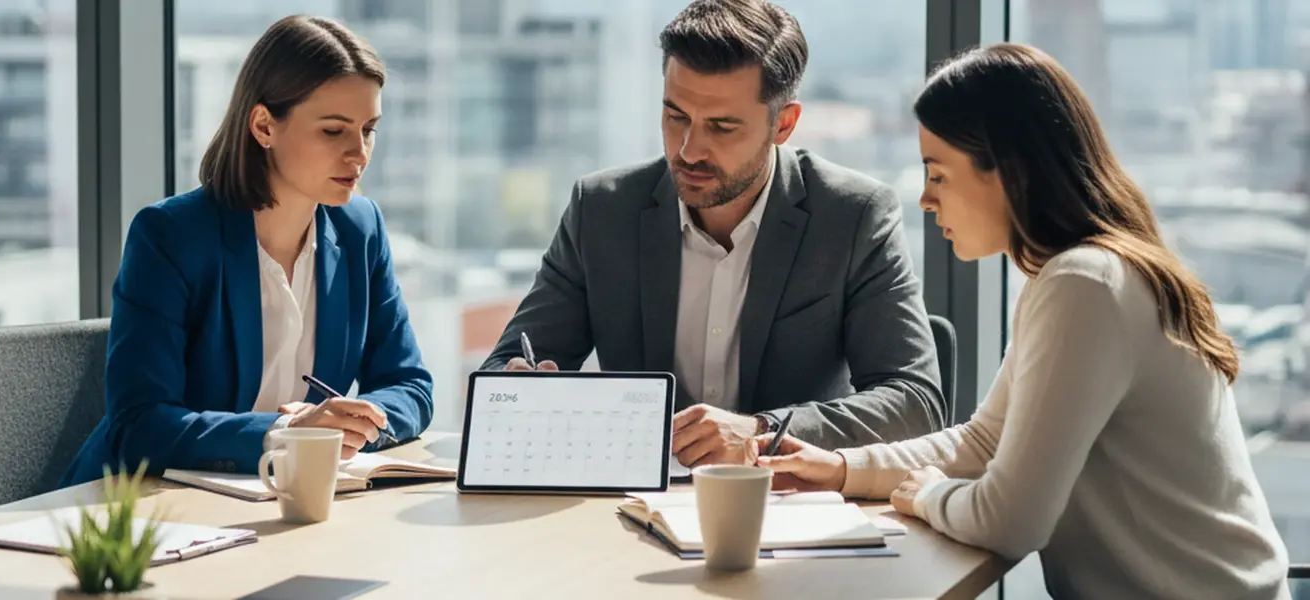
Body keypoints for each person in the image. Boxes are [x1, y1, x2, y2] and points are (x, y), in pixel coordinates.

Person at [754, 43, 1291, 599]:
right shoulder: (1079, 276)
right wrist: (842, 467)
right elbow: (988, 442)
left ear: (1006, 171)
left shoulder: (1086, 285)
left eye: (938, 174)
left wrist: (928, 494)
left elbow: (1010, 521)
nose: (924, 199)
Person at [480, 0, 944, 468]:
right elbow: (506, 368)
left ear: (783, 124)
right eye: (675, 116)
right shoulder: (602, 210)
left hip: (785, 509)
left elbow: (915, 403)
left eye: (722, 127)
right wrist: (518, 388)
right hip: (627, 506)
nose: (689, 149)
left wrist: (760, 432)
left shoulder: (852, 217)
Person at [61, 15, 434, 487]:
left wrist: (357, 422)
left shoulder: (361, 229)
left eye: (369, 130)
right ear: (263, 126)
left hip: (283, 501)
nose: (359, 153)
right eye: (333, 131)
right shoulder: (170, 237)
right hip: (140, 511)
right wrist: (286, 432)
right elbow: (139, 425)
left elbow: (411, 387)